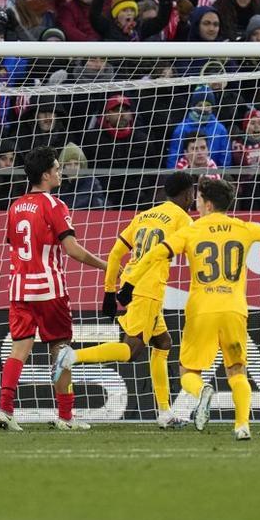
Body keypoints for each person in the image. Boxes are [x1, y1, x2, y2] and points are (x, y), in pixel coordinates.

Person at [120, 177, 260, 440]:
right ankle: (242, 425)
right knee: (237, 370)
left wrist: (130, 283)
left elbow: (156, 253)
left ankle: (202, 391)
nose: (196, 203)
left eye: (199, 199)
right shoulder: (244, 228)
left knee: (188, 372)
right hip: (234, 310)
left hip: (201, 310)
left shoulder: (192, 230)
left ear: (209, 204)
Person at [0, 146, 109, 431]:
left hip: (19, 288)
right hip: (49, 288)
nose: (60, 172)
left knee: (19, 349)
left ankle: (5, 411)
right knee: (61, 349)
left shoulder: (15, 206)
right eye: (57, 168)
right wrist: (107, 266)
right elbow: (71, 249)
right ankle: (66, 417)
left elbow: (16, 246)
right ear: (46, 175)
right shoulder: (54, 205)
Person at [72, 172, 197, 428]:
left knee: (163, 342)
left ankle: (164, 413)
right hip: (148, 291)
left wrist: (109, 291)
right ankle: (72, 357)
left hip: (134, 284)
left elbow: (117, 251)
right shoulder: (183, 219)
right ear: (187, 194)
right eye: (192, 193)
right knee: (131, 350)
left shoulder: (145, 215)